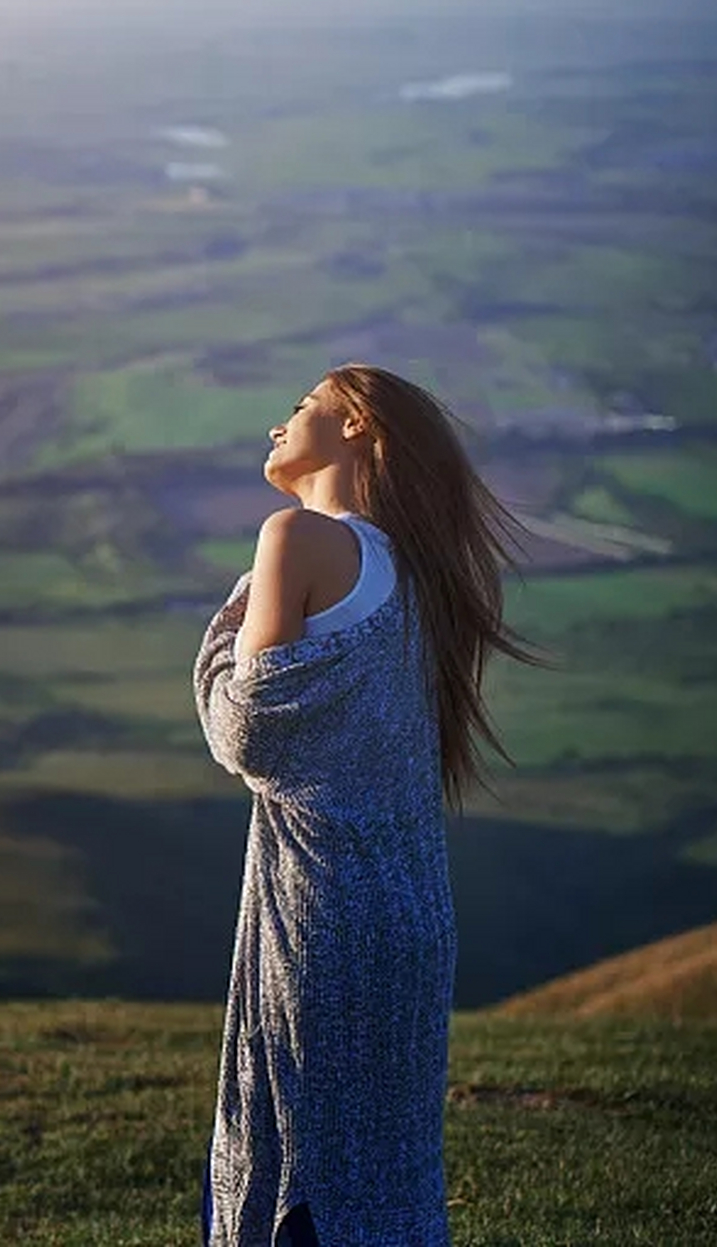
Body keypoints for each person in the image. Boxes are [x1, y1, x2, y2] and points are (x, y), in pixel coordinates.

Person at [193, 364, 540, 1246]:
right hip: (413, 918)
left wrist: (224, 632)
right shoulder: (421, 581)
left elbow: (251, 731)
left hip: (324, 918)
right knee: (386, 1177)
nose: (280, 424)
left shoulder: (298, 538)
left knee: (305, 1170)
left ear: (354, 425)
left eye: (301, 405)